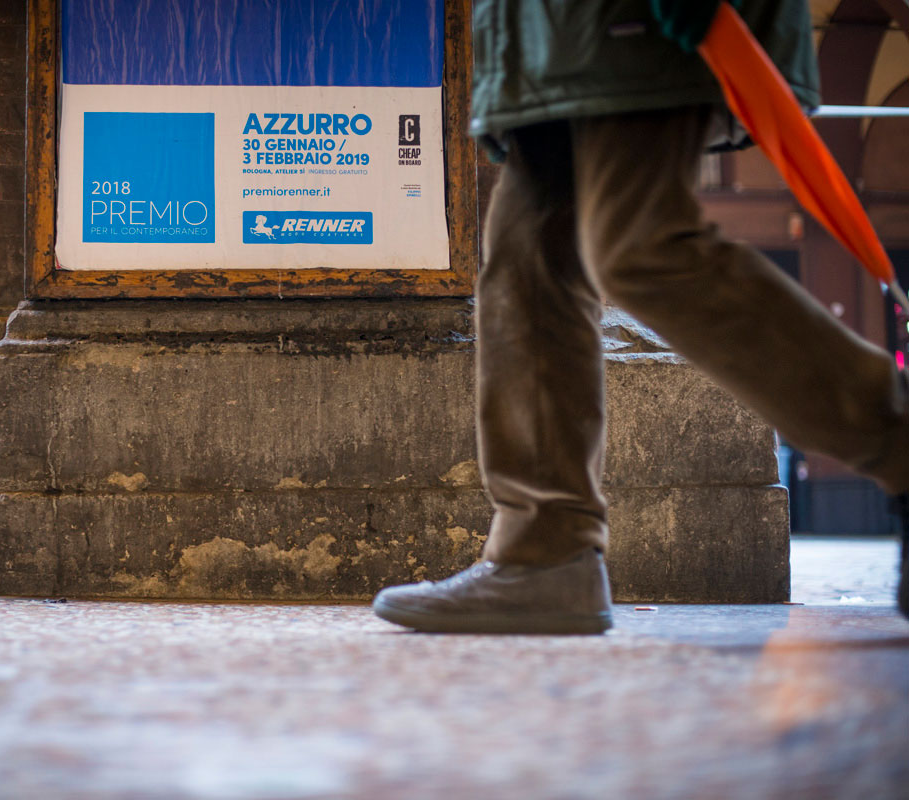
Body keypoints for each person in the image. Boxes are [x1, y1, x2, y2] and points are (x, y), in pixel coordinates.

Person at [372, 0, 909, 632]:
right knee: (527, 265)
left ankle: (894, 432)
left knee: (640, 246)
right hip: (547, 38)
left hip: (622, 28)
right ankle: (544, 555)